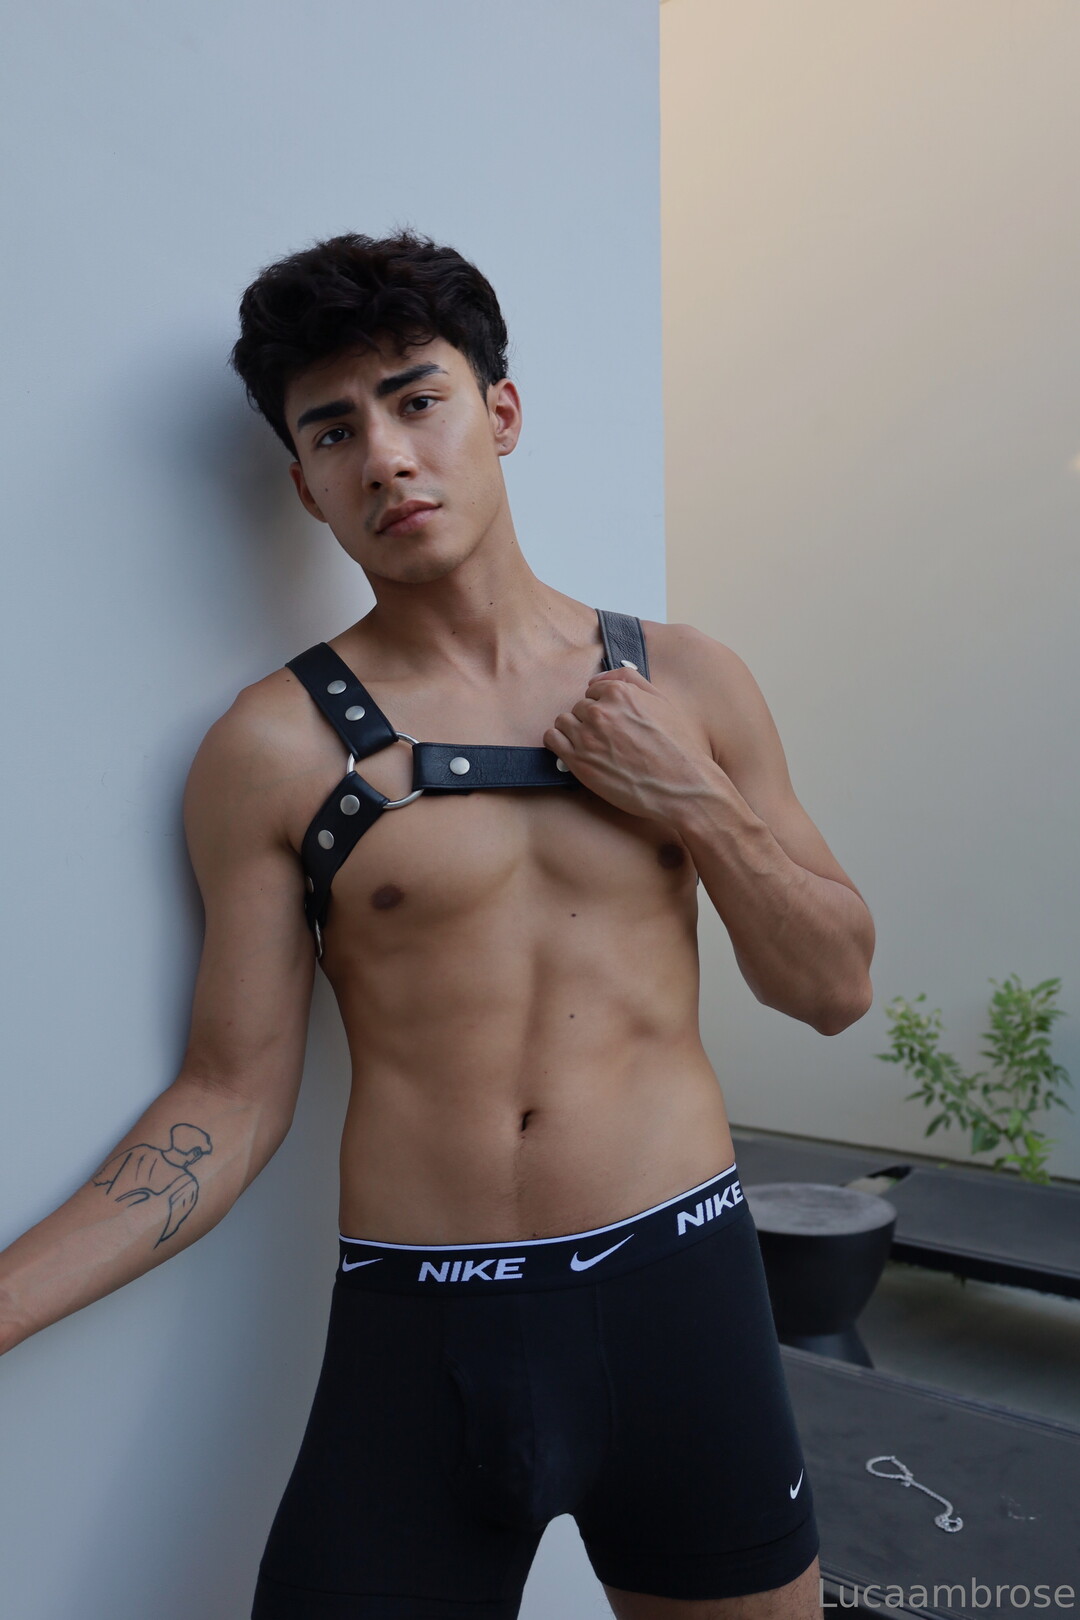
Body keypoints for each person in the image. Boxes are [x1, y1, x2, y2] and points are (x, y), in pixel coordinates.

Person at [0, 231, 875, 1619]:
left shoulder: (689, 682)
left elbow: (832, 987)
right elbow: (228, 1100)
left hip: (683, 1297)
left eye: (420, 401)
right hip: (427, 1327)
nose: (388, 458)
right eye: (334, 430)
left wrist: (696, 799)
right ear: (305, 484)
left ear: (500, 412)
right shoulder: (274, 751)